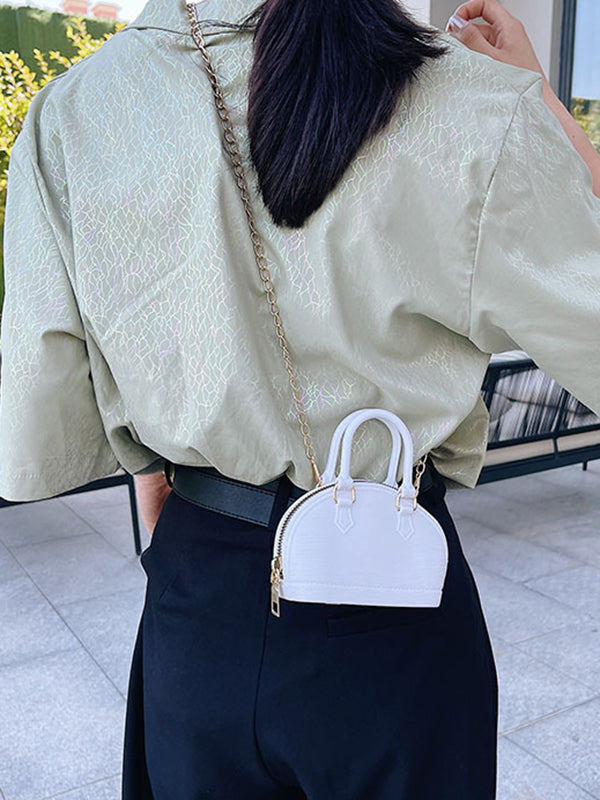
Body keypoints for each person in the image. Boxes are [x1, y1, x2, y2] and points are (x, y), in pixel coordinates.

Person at [0, 0, 599, 796]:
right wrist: (542, 100)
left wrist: (174, 497)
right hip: (392, 601)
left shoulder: (73, 114)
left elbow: (47, 419)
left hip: (200, 596)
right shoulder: (475, 103)